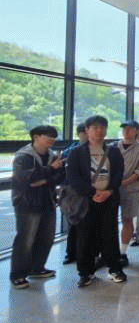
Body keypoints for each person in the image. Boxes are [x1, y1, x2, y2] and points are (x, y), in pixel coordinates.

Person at [67, 116, 126, 287]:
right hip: (86, 200)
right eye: (95, 128)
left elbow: (118, 174)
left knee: (110, 234)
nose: (99, 131)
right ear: (87, 130)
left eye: (102, 127)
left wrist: (109, 191)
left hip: (109, 199)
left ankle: (114, 269)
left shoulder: (113, 152)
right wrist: (92, 192)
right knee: (85, 236)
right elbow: (73, 177)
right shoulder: (76, 153)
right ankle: (86, 272)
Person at [9, 125, 65, 289]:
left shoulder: (52, 155)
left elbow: (61, 176)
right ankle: (18, 275)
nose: (52, 139)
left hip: (48, 201)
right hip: (27, 204)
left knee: (47, 238)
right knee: (25, 240)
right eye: (48, 136)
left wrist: (44, 179)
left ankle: (37, 268)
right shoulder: (24, 156)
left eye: (53, 136)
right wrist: (50, 169)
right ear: (36, 137)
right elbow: (28, 179)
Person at [116, 120, 139, 266]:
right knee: (108, 220)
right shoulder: (114, 146)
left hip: (131, 190)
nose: (126, 131)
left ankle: (123, 252)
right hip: (112, 189)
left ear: (137, 131)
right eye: (124, 129)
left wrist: (124, 182)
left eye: (130, 129)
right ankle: (108, 252)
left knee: (127, 219)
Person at [61, 122, 88, 265]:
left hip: (89, 192)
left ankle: (85, 254)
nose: (87, 135)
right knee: (73, 223)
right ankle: (70, 253)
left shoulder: (97, 150)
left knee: (88, 225)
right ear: (79, 134)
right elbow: (62, 172)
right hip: (73, 193)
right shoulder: (69, 151)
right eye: (84, 132)